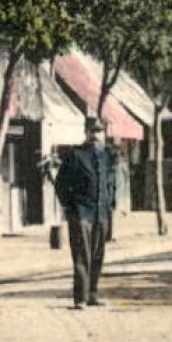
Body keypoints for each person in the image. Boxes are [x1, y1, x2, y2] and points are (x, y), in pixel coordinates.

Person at [54, 116, 119, 310]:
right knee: (82, 256)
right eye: (92, 131)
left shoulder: (108, 155)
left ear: (104, 133)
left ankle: (93, 294)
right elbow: (61, 184)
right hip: (82, 213)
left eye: (99, 131)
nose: (95, 135)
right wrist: (70, 208)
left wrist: (111, 205)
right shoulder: (76, 155)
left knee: (98, 255)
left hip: (101, 213)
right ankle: (80, 298)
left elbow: (112, 183)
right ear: (86, 133)